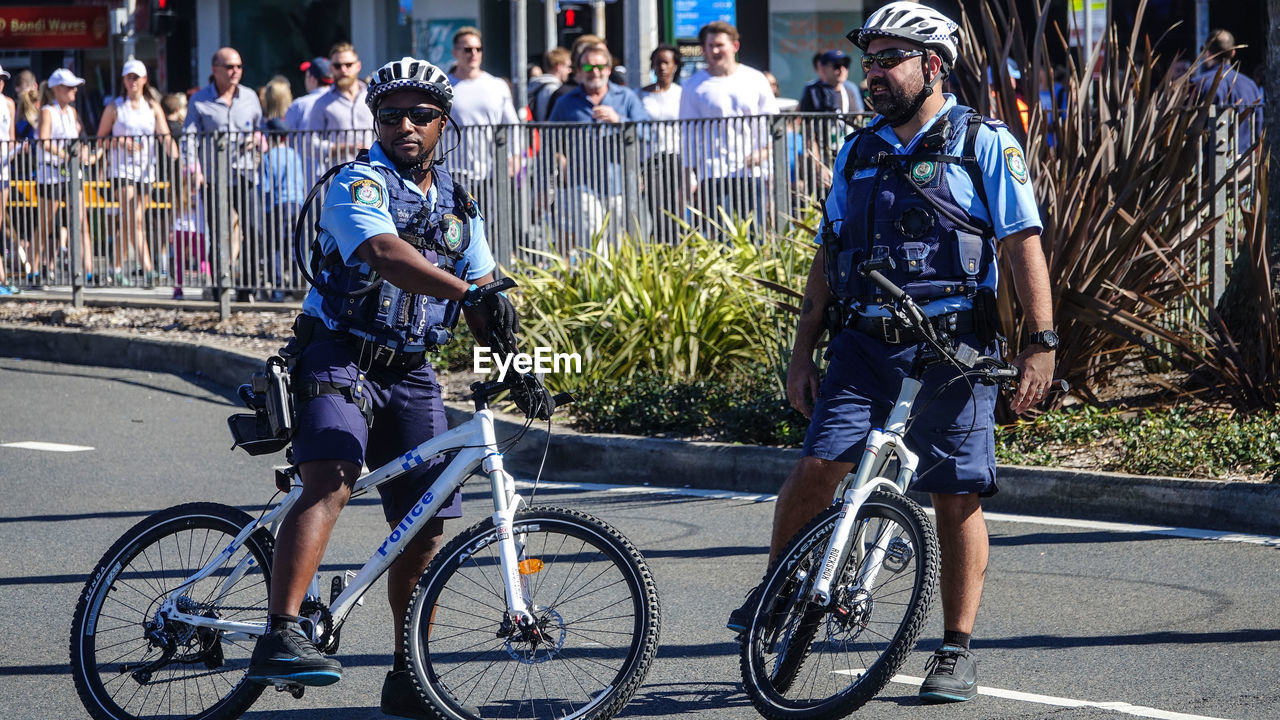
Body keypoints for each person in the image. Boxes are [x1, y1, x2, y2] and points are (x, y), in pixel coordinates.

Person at [726, 2, 1056, 705]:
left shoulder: (985, 144)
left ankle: (955, 649)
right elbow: (829, 252)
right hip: (865, 342)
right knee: (816, 468)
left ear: (933, 65)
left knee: (956, 493)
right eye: (867, 60)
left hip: (955, 347)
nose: (870, 72)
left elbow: (1021, 242)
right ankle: (782, 589)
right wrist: (800, 353)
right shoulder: (860, 148)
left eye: (888, 60)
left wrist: (1041, 342)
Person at [244, 57, 522, 720]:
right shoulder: (357, 182)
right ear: (376, 121)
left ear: (442, 124)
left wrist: (519, 369)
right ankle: (281, 631)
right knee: (333, 475)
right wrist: (469, 291)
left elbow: (487, 299)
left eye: (420, 115)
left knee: (425, 522)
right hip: (339, 354)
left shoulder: (458, 202)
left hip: (411, 369)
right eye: (391, 113)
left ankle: (408, 672)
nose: (405, 125)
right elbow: (385, 255)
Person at [678, 21, 778, 230]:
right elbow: (687, 135)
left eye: (720, 45)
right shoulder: (693, 85)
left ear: (735, 46)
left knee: (755, 235)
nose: (714, 50)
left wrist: (765, 152)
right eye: (710, 45)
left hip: (753, 172)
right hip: (713, 172)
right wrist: (690, 174)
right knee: (719, 235)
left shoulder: (755, 79)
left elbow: (773, 124)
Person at [548, 41, 649, 248]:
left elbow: (648, 132)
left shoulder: (626, 97)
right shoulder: (566, 102)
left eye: (600, 66)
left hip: (621, 185)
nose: (594, 71)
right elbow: (550, 141)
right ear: (578, 71)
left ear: (609, 70)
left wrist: (620, 121)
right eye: (587, 67)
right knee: (593, 246)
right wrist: (559, 165)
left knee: (621, 247)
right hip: (583, 187)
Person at [184, 47, 265, 301]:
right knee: (218, 231)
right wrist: (193, 169)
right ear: (215, 70)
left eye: (239, 66)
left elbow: (261, 129)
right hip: (213, 176)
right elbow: (189, 137)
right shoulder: (199, 100)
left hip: (246, 172)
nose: (235, 72)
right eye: (230, 67)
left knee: (253, 228)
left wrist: (256, 139)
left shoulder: (250, 96)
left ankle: (248, 284)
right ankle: (220, 284)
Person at [96, 59, 169, 287]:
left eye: (136, 77)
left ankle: (115, 267)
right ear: (124, 81)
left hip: (146, 170)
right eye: (129, 77)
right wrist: (118, 142)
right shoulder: (115, 107)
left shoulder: (152, 107)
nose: (132, 81)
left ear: (145, 80)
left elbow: (164, 134)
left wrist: (179, 157)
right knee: (135, 219)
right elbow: (100, 140)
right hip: (121, 170)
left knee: (130, 221)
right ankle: (148, 269)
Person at [445, 27, 521, 210]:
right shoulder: (444, 86)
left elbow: (512, 125)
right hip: (455, 171)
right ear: (455, 52)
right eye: (467, 49)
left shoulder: (496, 85)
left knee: (488, 225)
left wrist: (515, 157)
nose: (473, 54)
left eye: (478, 49)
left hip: (490, 172)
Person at [35, 68, 96, 286]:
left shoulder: (72, 112)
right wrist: (65, 155)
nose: (74, 91)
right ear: (57, 89)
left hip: (71, 173)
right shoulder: (47, 111)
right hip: (51, 173)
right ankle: (36, 268)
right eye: (70, 87)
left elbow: (78, 140)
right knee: (46, 222)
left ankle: (87, 269)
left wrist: (83, 153)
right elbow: (44, 139)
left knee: (80, 221)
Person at [639, 43, 687, 242]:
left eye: (666, 63)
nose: (662, 68)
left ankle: (678, 248)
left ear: (675, 66)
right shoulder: (640, 95)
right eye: (658, 63)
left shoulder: (681, 94)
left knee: (676, 207)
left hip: (676, 157)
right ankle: (660, 248)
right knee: (656, 207)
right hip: (650, 159)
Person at [1190, 29, 1264, 152]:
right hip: (1244, 164)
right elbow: (1258, 128)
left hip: (1206, 165)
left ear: (1207, 53)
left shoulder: (1199, 84)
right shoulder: (1250, 86)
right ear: (1233, 53)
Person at [302, 42, 374, 167]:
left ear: (358, 66)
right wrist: (343, 148)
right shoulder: (322, 103)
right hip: (339, 175)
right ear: (331, 68)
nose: (343, 70)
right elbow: (309, 144)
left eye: (348, 65)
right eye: (337, 66)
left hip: (373, 171)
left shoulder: (372, 97)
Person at [258, 117, 305, 300]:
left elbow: (266, 187)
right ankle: (296, 282)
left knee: (276, 246)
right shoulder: (294, 154)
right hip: (297, 203)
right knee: (294, 245)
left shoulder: (269, 157)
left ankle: (278, 287)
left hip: (278, 204)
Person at [799, 49, 866, 116]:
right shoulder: (813, 90)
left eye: (845, 65)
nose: (842, 70)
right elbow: (806, 122)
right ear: (824, 69)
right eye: (837, 66)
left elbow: (859, 116)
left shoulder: (851, 88)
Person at [0, 65, 17, 294]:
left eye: (2, 79)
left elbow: (11, 137)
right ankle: (2, 276)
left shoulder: (9, 104)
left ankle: (3, 277)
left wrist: (15, 150)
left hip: (3, 169)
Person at [529, 46, 570, 122]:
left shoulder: (536, 85)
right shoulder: (553, 89)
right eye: (567, 67)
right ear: (559, 67)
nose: (569, 71)